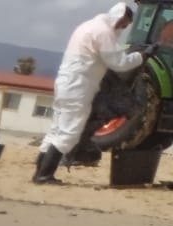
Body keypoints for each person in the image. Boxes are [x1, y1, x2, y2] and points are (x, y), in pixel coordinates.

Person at [34, 4, 147, 184]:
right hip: (79, 86)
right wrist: (141, 55)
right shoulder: (103, 32)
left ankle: (40, 172)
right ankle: (44, 175)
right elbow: (118, 63)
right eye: (123, 24)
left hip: (65, 83)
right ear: (117, 17)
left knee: (56, 129)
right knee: (70, 132)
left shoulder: (87, 26)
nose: (123, 28)